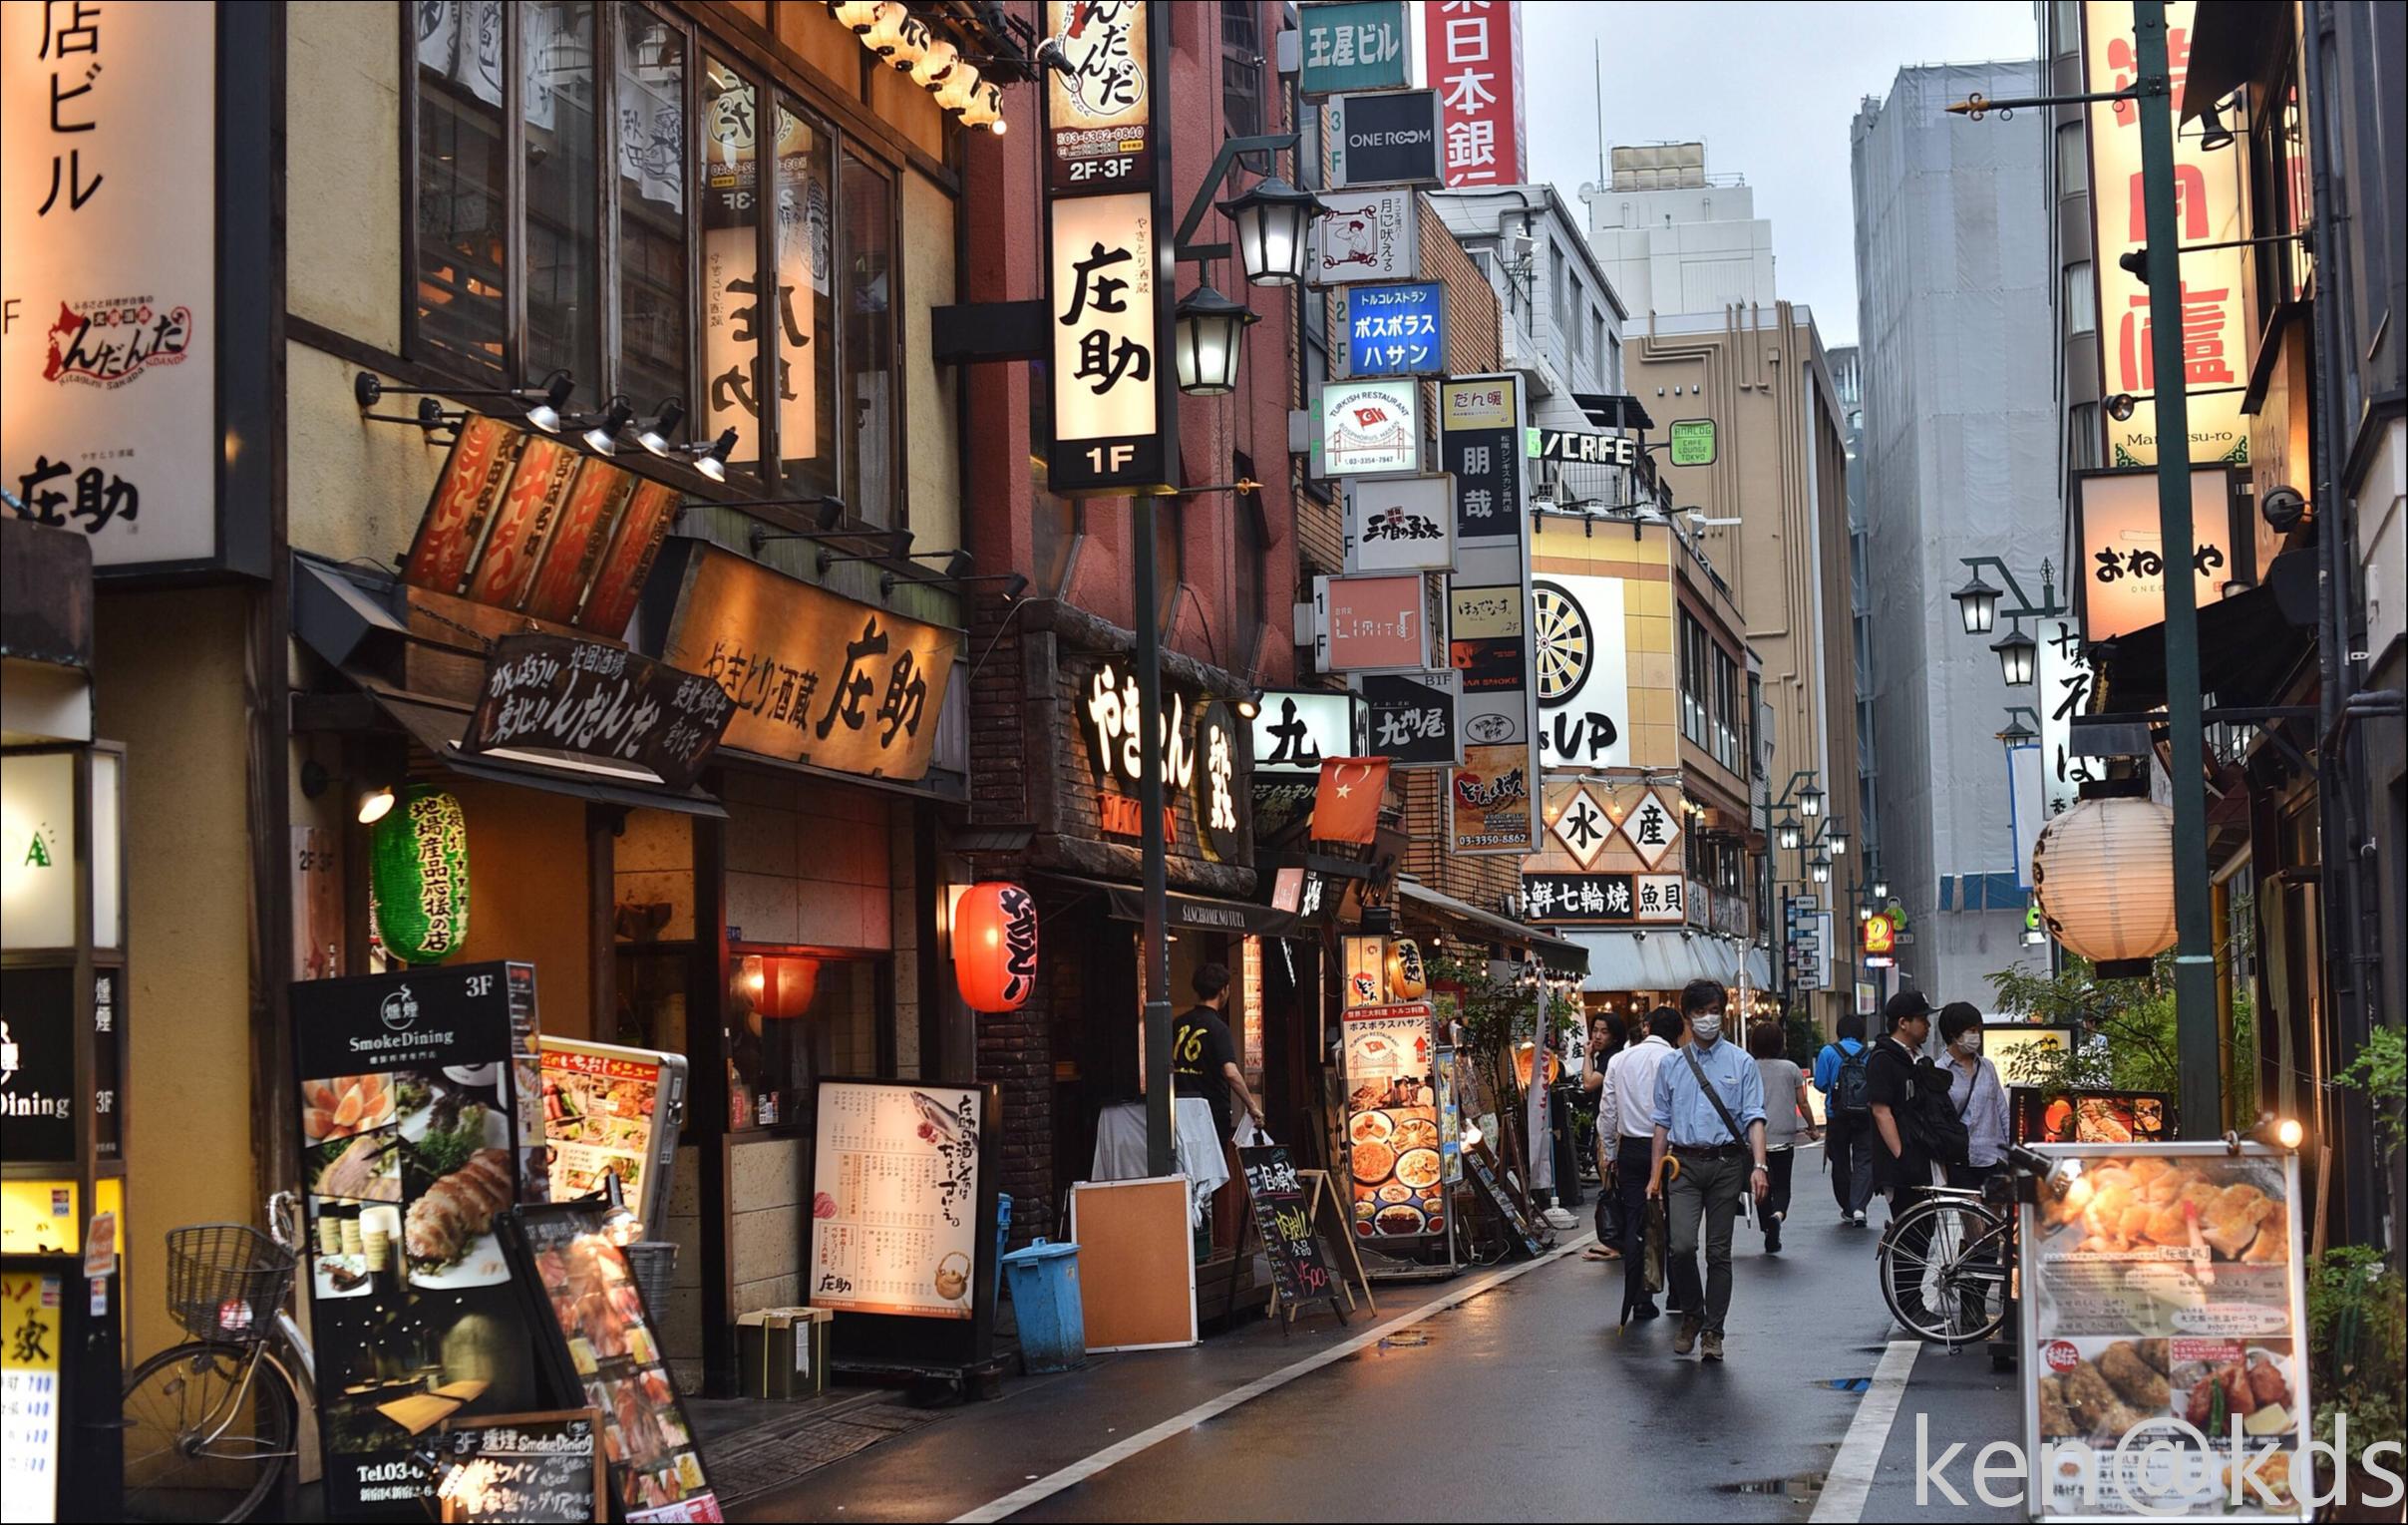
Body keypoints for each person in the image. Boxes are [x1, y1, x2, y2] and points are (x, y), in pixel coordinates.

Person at [1648, 980, 1768, 1361]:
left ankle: (1713, 1332)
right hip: (1681, 1165)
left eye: (1713, 1010)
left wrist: (1760, 1166)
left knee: (1719, 1253)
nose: (1707, 1019)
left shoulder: (1741, 1062)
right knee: (1681, 1247)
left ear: (1724, 1012)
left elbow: (1754, 1118)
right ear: (1686, 1018)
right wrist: (1654, 1176)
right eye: (1698, 1013)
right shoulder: (1670, 1064)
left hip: (1726, 1164)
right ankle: (1692, 1313)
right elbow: (1661, 1123)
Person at [1170, 963, 1263, 1248]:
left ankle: (1188, 1245)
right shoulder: (1217, 1027)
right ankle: (1209, 1244)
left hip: (1178, 1113)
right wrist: (1252, 1106)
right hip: (1210, 1116)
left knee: (1183, 1178)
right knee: (1210, 1181)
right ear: (1224, 991)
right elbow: (1231, 1072)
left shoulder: (1177, 1024)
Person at [1601, 1006, 1682, 1319]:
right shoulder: (1676, 1060)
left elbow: (1607, 1111)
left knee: (1636, 1224)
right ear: (1678, 1034)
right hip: (1672, 1151)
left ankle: (1639, 1298)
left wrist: (1609, 1151)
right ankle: (1678, 1293)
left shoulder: (1619, 1060)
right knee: (1676, 1223)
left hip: (1632, 1149)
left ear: (1647, 1027)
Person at [1748, 1022, 1815, 1253]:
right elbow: (1803, 1102)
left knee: (1761, 1183)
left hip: (1755, 1137)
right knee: (1783, 1185)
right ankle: (1778, 1215)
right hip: (1784, 1135)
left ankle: (1767, 1227)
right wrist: (1812, 1126)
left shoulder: (1748, 1067)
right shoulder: (1791, 1068)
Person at [1936, 1003, 2010, 1191]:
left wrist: (2013, 1149)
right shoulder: (1939, 1071)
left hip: (1994, 1158)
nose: (1976, 1035)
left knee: (1995, 1218)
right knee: (1973, 1218)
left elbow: (2002, 1110)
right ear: (1954, 1033)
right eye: (1971, 1030)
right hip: (1961, 1161)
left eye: (1978, 1030)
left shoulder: (1987, 1067)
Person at [1814, 1012, 1877, 1225]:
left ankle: (1847, 1207)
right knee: (1864, 1159)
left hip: (1837, 1114)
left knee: (1840, 1161)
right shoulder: (1869, 1053)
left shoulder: (1828, 1052)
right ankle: (1860, 1207)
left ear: (1839, 1032)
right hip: (1865, 1113)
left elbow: (1820, 1084)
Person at [1581, 1014, 1626, 1260]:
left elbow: (1589, 1083)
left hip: (1611, 1131)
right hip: (1610, 1128)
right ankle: (1617, 1240)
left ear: (1615, 1036)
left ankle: (1616, 1241)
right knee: (1612, 1184)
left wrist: (1587, 1056)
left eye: (1604, 1032)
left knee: (1612, 1185)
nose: (1597, 1036)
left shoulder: (1611, 1059)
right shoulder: (1609, 1057)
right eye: (1595, 1030)